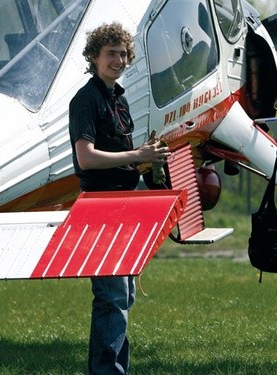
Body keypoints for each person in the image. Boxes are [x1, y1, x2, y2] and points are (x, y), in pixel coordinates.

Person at [68, 22, 169, 375]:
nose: (119, 59)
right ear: (94, 57)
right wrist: (134, 155)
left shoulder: (120, 98)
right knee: (111, 297)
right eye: (111, 53)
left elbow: (120, 155)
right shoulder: (85, 99)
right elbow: (87, 158)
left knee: (123, 296)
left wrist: (146, 158)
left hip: (125, 203)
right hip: (99, 206)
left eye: (124, 53)